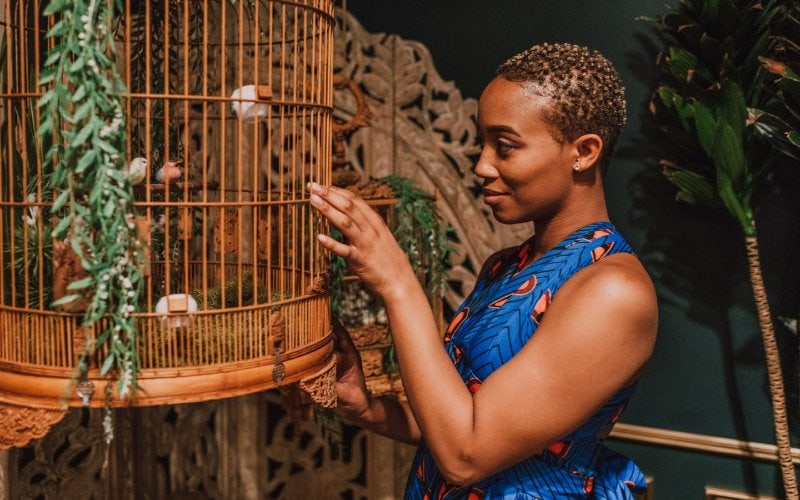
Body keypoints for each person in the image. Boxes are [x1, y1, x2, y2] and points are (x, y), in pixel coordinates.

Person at [308, 42, 658, 499]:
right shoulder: (505, 267)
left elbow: (466, 456)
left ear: (585, 152)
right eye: (481, 143)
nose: (481, 166)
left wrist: (398, 283)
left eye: (505, 146)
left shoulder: (613, 292)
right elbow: (460, 423)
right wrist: (367, 408)